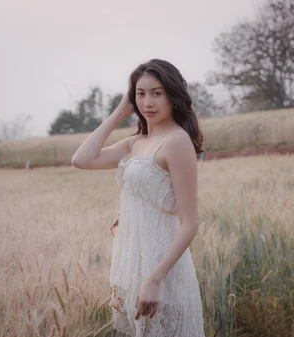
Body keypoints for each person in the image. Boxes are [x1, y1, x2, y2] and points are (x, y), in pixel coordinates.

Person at [71, 59, 206, 336]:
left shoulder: (177, 142)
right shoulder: (135, 143)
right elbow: (81, 159)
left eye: (157, 93)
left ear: (173, 95)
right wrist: (121, 111)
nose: (148, 102)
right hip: (134, 264)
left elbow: (190, 223)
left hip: (161, 269)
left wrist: (155, 279)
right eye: (140, 94)